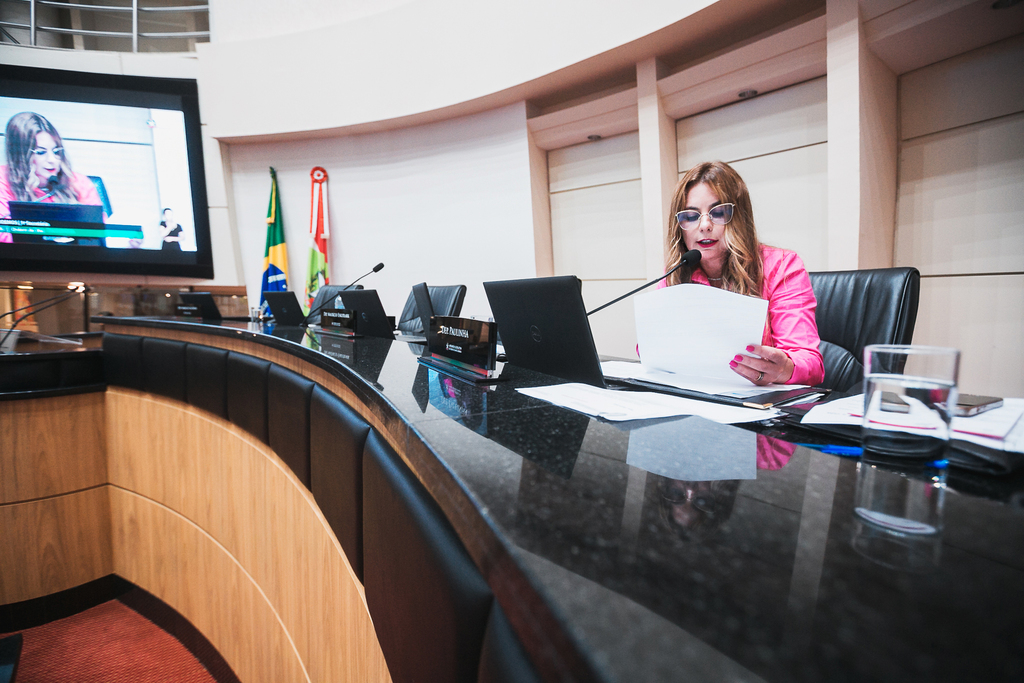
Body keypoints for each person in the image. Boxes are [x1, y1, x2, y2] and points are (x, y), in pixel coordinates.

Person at [662, 161, 824, 386]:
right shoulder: (676, 274)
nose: (705, 225)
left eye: (718, 213)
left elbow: (811, 364)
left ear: (740, 218)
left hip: (759, 406)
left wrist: (784, 368)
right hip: (696, 398)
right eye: (691, 216)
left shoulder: (782, 266)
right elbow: (652, 349)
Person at [0, 112, 104, 231]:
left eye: (55, 151)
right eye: (41, 152)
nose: (52, 160)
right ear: (20, 156)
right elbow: (4, 234)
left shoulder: (79, 182)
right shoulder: (3, 180)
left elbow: (99, 231)